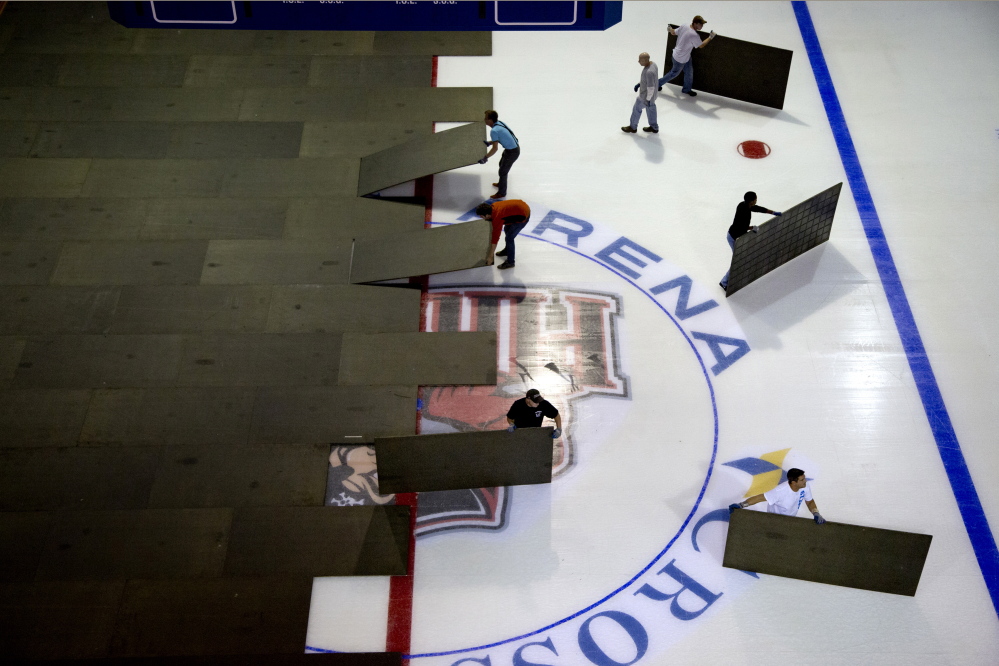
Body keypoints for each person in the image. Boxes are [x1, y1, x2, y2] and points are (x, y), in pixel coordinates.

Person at [720, 191, 782, 290]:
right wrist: (752, 227)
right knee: (737, 260)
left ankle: (728, 278)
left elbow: (758, 209)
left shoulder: (745, 205)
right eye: (755, 199)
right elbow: (741, 226)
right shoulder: (743, 210)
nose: (756, 200)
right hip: (733, 237)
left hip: (737, 236)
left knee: (739, 260)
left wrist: (773, 212)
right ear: (751, 201)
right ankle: (724, 282)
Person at [729, 468, 826, 524]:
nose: (805, 481)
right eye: (802, 480)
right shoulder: (780, 491)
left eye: (804, 478)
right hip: (773, 521)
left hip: (790, 520)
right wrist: (741, 505)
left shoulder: (805, 486)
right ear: (793, 482)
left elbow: (809, 501)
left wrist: (816, 513)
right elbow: (760, 497)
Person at [657, 15, 716, 97]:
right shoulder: (694, 35)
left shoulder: (685, 25)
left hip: (685, 57)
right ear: (695, 24)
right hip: (679, 59)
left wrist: (670, 29)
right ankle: (656, 84)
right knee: (673, 73)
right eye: (700, 24)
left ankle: (686, 89)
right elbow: (701, 45)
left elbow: (673, 32)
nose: (702, 26)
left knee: (689, 73)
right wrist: (710, 37)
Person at [476, 199, 530, 270]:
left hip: (523, 216)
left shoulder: (498, 216)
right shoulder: (493, 207)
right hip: (519, 209)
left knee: (509, 238)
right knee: (507, 230)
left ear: (487, 215)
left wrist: (490, 256)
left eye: (482, 216)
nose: (481, 218)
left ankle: (510, 262)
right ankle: (507, 250)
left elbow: (495, 238)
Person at [479, 110, 520, 199]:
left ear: (490, 120)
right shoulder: (499, 123)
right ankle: (501, 183)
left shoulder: (494, 130)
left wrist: (485, 157)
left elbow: (495, 148)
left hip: (512, 152)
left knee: (503, 172)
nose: (484, 120)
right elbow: (502, 137)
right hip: (511, 148)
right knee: (501, 164)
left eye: (486, 119)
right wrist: (490, 142)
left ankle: (502, 193)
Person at [622, 52, 659, 134]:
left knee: (636, 109)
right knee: (651, 109)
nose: (638, 61)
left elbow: (650, 87)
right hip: (653, 96)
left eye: (640, 60)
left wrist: (647, 99)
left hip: (645, 97)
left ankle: (632, 127)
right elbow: (651, 81)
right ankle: (654, 127)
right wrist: (639, 84)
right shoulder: (653, 65)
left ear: (646, 60)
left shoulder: (649, 72)